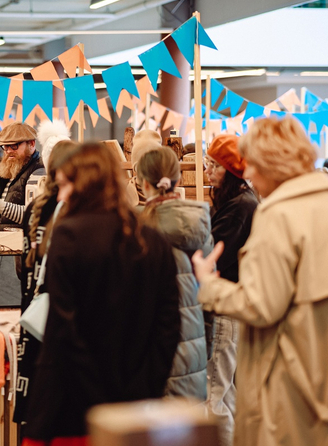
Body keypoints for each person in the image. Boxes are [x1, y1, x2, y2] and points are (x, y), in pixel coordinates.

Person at [192, 117, 328, 446]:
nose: (247, 174)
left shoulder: (278, 215)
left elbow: (260, 304)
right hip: (327, 379)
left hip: (289, 381)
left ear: (272, 164)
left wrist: (208, 285)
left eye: (253, 164)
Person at [23, 142, 181, 444]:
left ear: (86, 183)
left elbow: (63, 331)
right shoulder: (152, 239)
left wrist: (96, 395)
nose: (63, 193)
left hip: (71, 407)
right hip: (137, 402)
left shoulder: (69, 236)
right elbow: (169, 328)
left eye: (67, 184)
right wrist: (143, 387)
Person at [136, 147, 212, 401]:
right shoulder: (200, 223)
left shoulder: (137, 230)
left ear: (142, 183)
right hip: (194, 343)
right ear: (178, 180)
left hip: (151, 349)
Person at [14, 140, 77, 425]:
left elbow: (22, 264)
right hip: (63, 316)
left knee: (36, 399)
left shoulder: (35, 209)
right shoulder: (73, 211)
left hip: (32, 313)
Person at [203, 134, 258, 446]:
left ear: (230, 171)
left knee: (214, 398)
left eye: (214, 166)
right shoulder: (238, 202)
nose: (209, 172)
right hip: (230, 306)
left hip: (225, 307)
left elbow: (216, 254)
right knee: (227, 394)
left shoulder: (240, 206)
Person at [0, 122, 44, 231]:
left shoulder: (38, 171)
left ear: (32, 144)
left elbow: (35, 215)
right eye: (5, 146)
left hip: (20, 245)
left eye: (14, 145)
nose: (9, 151)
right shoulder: (12, 170)